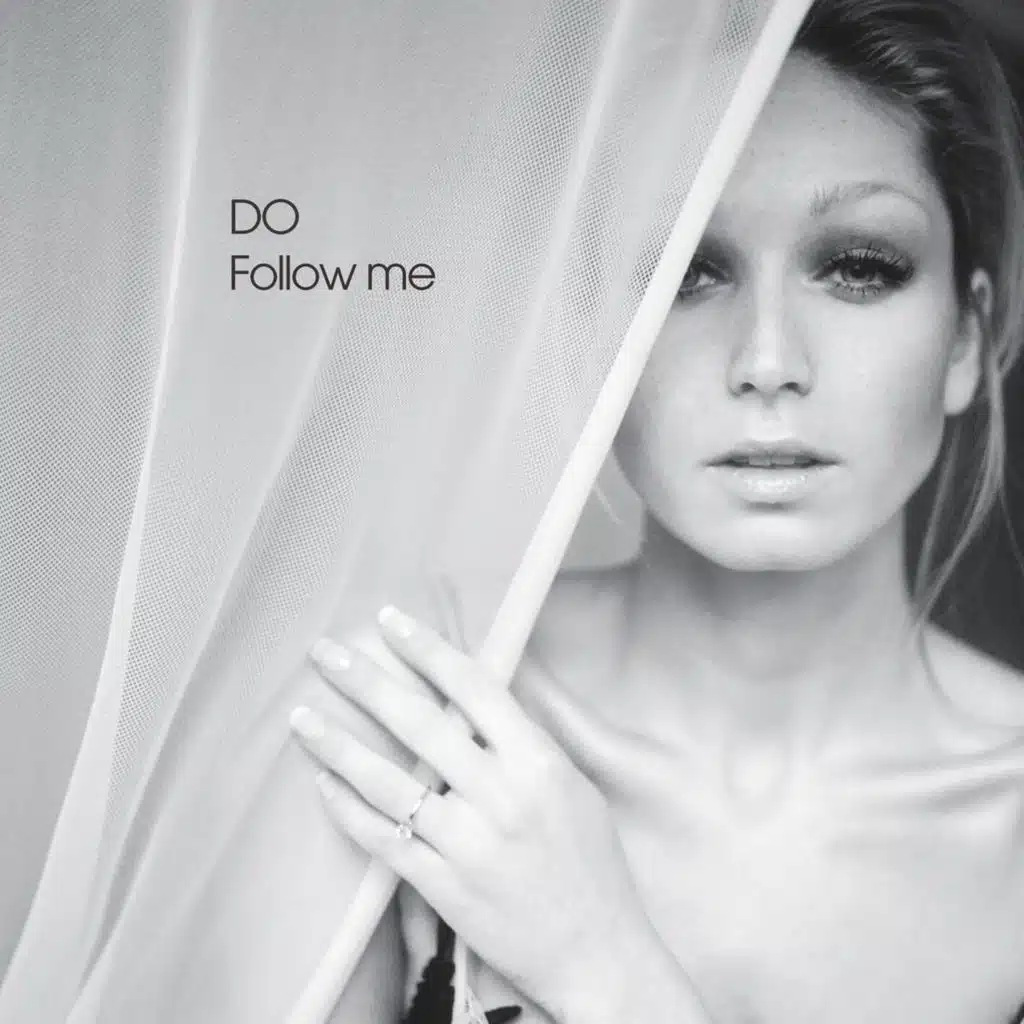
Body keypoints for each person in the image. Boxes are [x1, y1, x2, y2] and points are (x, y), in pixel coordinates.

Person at [288, 0, 1024, 1020]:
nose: (767, 361)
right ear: (589, 339)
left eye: (859, 267)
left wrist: (599, 961)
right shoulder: (416, 713)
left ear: (966, 341)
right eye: (685, 272)